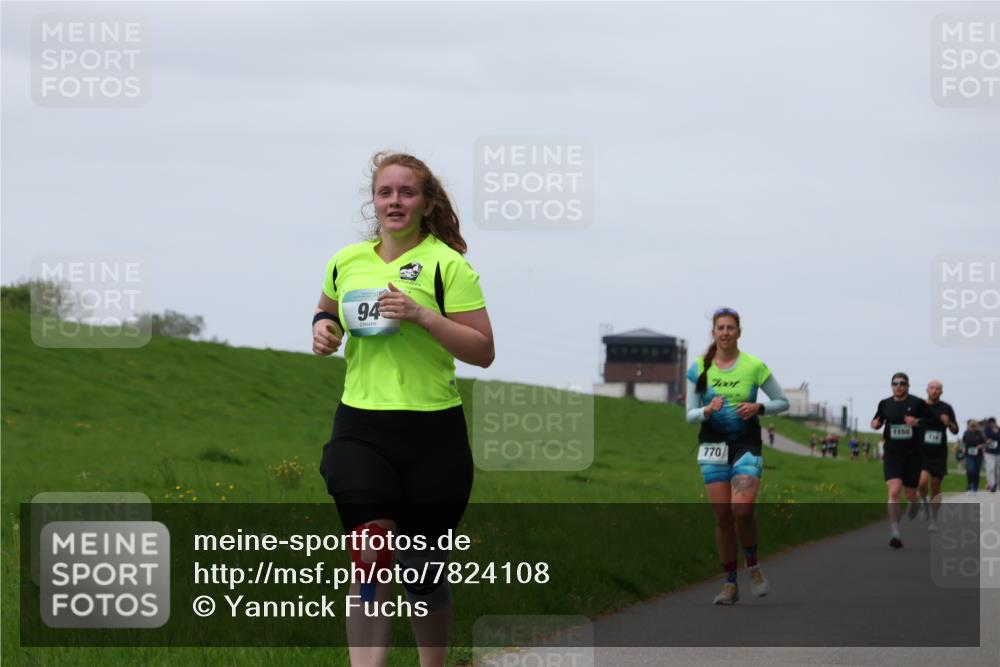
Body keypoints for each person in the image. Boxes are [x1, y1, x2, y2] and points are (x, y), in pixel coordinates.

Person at [314, 152, 495, 667]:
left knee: (421, 572)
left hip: (433, 433)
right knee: (370, 557)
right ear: (374, 201)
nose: (395, 201)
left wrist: (422, 315)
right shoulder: (347, 260)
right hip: (361, 426)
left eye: (407, 193)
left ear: (426, 203)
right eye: (385, 192)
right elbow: (326, 310)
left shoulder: (448, 266)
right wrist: (322, 329)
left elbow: (483, 350)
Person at [685, 308, 790, 605]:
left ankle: (752, 565)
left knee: (741, 510)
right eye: (720, 328)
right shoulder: (699, 368)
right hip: (713, 446)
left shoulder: (754, 366)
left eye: (730, 328)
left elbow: (782, 401)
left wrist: (759, 408)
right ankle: (730, 583)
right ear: (713, 332)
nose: (725, 332)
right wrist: (707, 410)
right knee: (723, 517)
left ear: (739, 332)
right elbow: (690, 415)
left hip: (746, 444)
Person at [871, 372, 938, 549]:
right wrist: (875, 424)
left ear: (908, 386)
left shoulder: (917, 403)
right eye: (895, 383)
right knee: (893, 492)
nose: (899, 386)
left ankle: (915, 501)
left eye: (902, 383)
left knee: (910, 495)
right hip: (892, 453)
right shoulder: (885, 403)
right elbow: (877, 420)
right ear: (891, 386)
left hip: (913, 454)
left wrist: (916, 422)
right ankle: (895, 533)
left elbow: (933, 421)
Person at [917, 380, 959, 530]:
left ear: (941, 392)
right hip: (921, 451)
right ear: (927, 390)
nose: (934, 391)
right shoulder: (919, 406)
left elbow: (955, 430)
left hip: (938, 453)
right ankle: (924, 501)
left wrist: (949, 423)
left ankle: (934, 520)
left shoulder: (946, 408)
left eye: (937, 388)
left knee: (935, 486)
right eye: (932, 388)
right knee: (922, 483)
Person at [962, 419, 986, 495]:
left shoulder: (980, 433)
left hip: (978, 455)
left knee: (977, 472)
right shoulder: (966, 433)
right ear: (969, 426)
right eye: (972, 426)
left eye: (974, 426)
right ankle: (969, 487)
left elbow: (984, 443)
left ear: (977, 426)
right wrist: (964, 448)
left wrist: (981, 446)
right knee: (970, 470)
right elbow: (963, 443)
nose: (973, 427)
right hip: (969, 455)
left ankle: (975, 488)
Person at [984, 417, 1000, 493]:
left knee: (997, 470)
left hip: (998, 452)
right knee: (991, 468)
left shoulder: (999, 429)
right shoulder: (986, 430)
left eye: (993, 422)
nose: (992, 424)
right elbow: (983, 439)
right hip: (989, 453)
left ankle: (996, 484)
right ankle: (992, 485)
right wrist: (987, 441)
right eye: (990, 423)